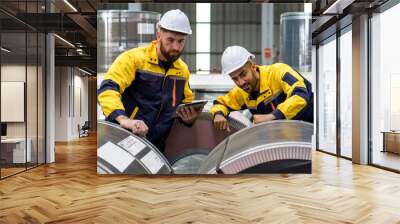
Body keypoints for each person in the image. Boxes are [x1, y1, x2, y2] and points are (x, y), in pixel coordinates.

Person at [98, 9, 202, 151]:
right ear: (159, 35)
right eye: (170, 40)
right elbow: (108, 89)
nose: (176, 47)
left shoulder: (182, 70)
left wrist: (189, 120)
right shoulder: (133, 59)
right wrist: (124, 120)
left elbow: (185, 103)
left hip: (155, 148)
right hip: (123, 140)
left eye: (181, 41)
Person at [210, 46, 313, 131]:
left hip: (310, 131)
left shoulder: (278, 72)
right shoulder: (242, 92)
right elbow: (220, 103)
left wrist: (272, 116)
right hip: (284, 139)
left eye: (243, 74)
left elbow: (300, 95)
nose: (241, 82)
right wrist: (218, 114)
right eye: (235, 79)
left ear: (253, 66)